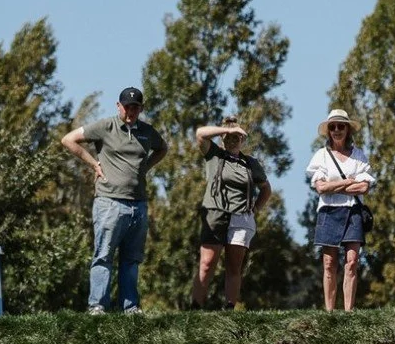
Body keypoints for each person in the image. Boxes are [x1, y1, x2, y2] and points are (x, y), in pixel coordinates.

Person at [61, 86, 168, 313]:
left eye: (135, 107)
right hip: (109, 203)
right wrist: (93, 164)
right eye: (127, 106)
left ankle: (130, 307)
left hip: (138, 204)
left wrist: (146, 167)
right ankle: (98, 306)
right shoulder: (105, 126)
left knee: (132, 259)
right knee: (103, 256)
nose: (131, 111)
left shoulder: (147, 132)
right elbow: (68, 140)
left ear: (141, 108)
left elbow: (162, 149)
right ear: (119, 106)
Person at [190, 118, 271, 309]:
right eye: (229, 135)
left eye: (237, 136)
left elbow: (266, 189)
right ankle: (195, 307)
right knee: (207, 263)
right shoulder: (214, 154)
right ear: (222, 137)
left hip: (241, 217)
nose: (233, 139)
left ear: (243, 139)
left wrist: (256, 209)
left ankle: (229, 307)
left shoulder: (250, 163)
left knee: (234, 266)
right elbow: (200, 133)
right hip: (215, 213)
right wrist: (225, 129)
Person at [305, 110, 375, 312]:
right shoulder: (321, 156)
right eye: (333, 126)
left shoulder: (359, 155)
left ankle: (348, 310)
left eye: (341, 126)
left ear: (348, 129)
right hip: (328, 211)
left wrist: (333, 185)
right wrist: (348, 182)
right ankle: (329, 311)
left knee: (352, 261)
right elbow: (320, 188)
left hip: (353, 211)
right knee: (329, 263)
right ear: (328, 131)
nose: (336, 130)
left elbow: (364, 187)